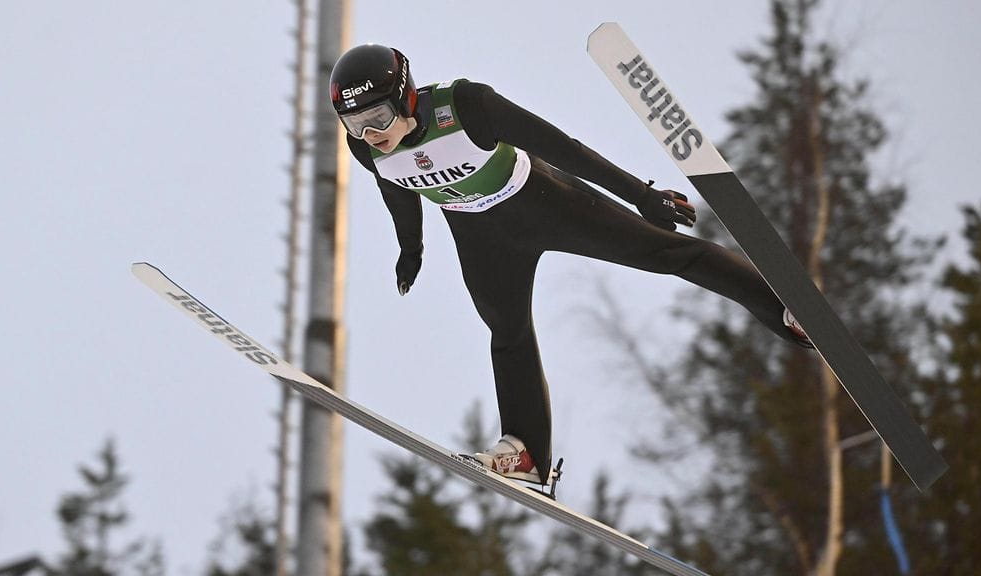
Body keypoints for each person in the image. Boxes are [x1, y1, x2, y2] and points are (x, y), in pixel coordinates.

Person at [329, 44, 811, 486]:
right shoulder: (367, 148)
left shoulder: (467, 107)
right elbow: (397, 186)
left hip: (542, 202)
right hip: (480, 237)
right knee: (508, 332)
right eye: (354, 124)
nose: (370, 134)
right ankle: (526, 455)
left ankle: (783, 309)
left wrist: (641, 195)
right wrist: (410, 250)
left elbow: (566, 149)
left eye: (377, 117)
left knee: (666, 253)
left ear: (406, 96)